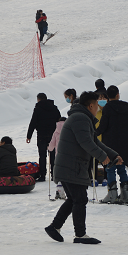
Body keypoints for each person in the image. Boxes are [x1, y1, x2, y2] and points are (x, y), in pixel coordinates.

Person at [45, 91, 120, 245]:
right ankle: (79, 234)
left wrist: (113, 155)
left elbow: (95, 142)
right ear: (90, 105)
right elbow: (86, 142)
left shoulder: (81, 118)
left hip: (71, 166)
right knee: (79, 199)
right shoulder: (80, 118)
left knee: (75, 199)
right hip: (71, 167)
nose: (98, 109)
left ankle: (55, 227)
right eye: (97, 106)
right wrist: (102, 157)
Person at [96, 85, 128, 204]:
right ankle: (125, 194)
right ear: (118, 94)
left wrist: (93, 133)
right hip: (124, 141)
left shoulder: (107, 109)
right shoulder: (127, 107)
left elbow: (103, 126)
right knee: (122, 167)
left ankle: (112, 194)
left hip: (110, 142)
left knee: (110, 167)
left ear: (107, 97)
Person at [26, 92, 61, 181]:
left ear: (38, 99)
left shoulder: (37, 109)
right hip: (53, 135)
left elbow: (33, 123)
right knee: (53, 155)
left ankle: (42, 175)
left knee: (42, 155)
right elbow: (59, 120)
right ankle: (54, 174)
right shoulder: (54, 108)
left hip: (41, 135)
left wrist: (29, 136)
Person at [48, 116, 67, 197]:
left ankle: (59, 190)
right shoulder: (68, 130)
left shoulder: (56, 132)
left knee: (60, 173)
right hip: (68, 155)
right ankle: (64, 190)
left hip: (58, 156)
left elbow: (52, 145)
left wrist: (49, 148)